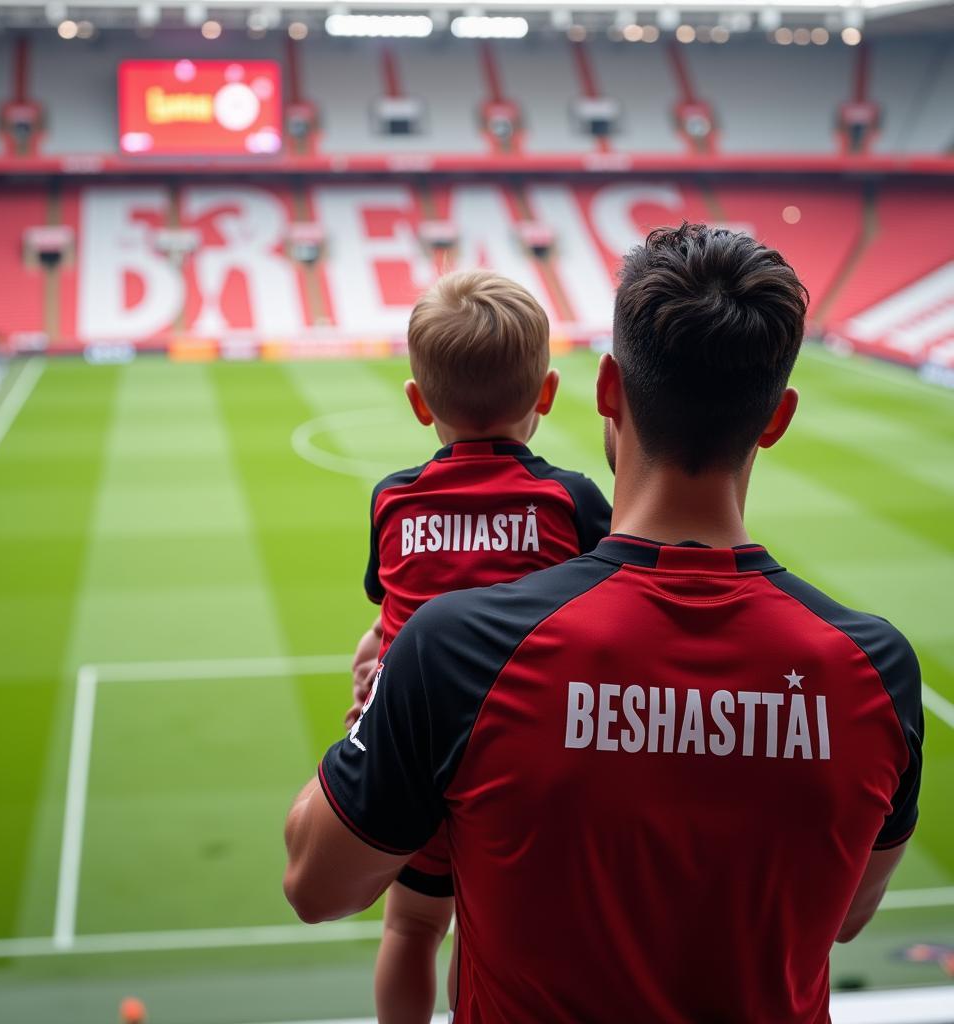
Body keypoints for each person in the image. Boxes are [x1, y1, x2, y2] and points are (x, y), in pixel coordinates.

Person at [284, 224, 923, 1024]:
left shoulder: (451, 651)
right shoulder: (876, 670)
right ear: (776, 417)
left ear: (608, 391)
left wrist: (382, 703)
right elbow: (846, 916)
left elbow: (314, 884)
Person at [345, 268, 611, 1022]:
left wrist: (371, 653)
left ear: (418, 402)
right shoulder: (573, 501)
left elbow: (395, 609)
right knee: (494, 927)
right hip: (531, 757)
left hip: (417, 750)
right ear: (548, 393)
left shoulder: (393, 500)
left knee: (410, 925)